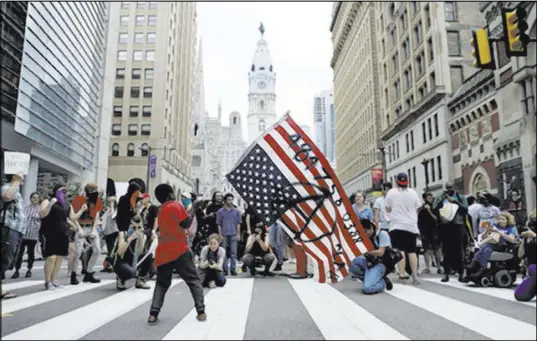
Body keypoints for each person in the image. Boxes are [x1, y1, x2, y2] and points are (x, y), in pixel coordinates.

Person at [148, 184, 206, 325]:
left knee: (161, 283)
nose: (175, 195)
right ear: (169, 195)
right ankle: (201, 311)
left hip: (163, 251)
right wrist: (195, 207)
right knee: (193, 280)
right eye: (173, 193)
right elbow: (186, 223)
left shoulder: (161, 209)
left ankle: (153, 314)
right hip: (180, 249)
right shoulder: (175, 205)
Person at [384, 172, 421, 285]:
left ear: (396, 181)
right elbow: (418, 207)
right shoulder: (413, 193)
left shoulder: (391, 192)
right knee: (412, 251)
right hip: (410, 225)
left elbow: (387, 208)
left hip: (397, 225)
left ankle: (402, 273)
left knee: (400, 251)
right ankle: (415, 275)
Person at [464, 212, 518, 282]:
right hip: (492, 245)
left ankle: (474, 264)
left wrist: (499, 232)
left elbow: (511, 239)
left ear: (507, 220)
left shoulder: (511, 228)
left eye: (503, 219)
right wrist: (487, 231)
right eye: (499, 219)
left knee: (485, 246)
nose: (500, 221)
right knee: (487, 249)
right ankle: (482, 269)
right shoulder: (495, 226)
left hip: (504, 246)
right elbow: (484, 237)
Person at [434, 181, 469, 282]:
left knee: (459, 250)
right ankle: (446, 273)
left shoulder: (460, 197)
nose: (449, 190)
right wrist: (441, 198)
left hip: (458, 225)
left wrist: (455, 202)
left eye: (451, 188)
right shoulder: (442, 197)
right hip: (445, 225)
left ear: (455, 187)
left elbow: (466, 209)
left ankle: (461, 273)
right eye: (448, 188)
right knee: (446, 250)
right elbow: (435, 208)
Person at [39, 184, 72, 289]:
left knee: (59, 257)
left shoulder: (66, 204)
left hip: (62, 233)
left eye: (65, 191)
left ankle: (53, 279)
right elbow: (42, 214)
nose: (64, 192)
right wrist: (51, 204)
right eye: (61, 190)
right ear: (55, 190)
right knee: (51, 257)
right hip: (49, 232)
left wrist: (81, 211)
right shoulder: (47, 201)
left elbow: (71, 218)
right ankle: (47, 281)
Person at [349, 219, 394, 294]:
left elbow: (380, 252)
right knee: (350, 262)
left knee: (368, 289)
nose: (365, 234)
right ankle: (372, 278)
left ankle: (382, 283)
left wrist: (365, 252)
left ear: (371, 227)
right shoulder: (363, 237)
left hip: (381, 263)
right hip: (369, 261)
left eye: (366, 231)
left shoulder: (382, 234)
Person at [70, 183, 103, 284]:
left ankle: (89, 273)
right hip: (81, 226)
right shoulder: (78, 200)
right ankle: (74, 273)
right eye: (94, 190)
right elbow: (73, 216)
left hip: (91, 226)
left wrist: (94, 229)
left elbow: (97, 216)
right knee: (78, 251)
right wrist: (78, 229)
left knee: (97, 249)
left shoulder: (97, 200)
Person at [1, 173, 27, 300]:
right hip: (8, 228)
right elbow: (6, 196)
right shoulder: (7, 187)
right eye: (22, 176)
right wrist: (16, 180)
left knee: (9, 259)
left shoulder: (17, 191)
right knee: (4, 258)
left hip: (16, 230)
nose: (23, 178)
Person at [111, 213, 153, 290]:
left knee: (149, 255)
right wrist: (131, 238)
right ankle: (121, 278)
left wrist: (140, 240)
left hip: (132, 260)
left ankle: (140, 279)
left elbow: (139, 252)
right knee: (131, 272)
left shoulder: (143, 235)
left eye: (139, 226)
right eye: (133, 226)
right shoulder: (123, 233)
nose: (136, 229)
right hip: (121, 261)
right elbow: (120, 253)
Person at [12, 192, 41, 279]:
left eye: (37, 197)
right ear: (30, 198)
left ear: (39, 199)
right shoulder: (25, 207)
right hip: (23, 233)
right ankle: (17, 270)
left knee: (31, 253)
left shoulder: (40, 209)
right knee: (19, 253)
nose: (35, 199)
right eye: (33, 197)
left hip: (33, 234)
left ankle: (29, 269)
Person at [216, 193, 242, 276]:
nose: (230, 201)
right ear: (225, 201)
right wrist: (220, 235)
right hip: (224, 234)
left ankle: (233, 269)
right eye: (229, 200)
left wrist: (238, 234)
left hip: (234, 233)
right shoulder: (220, 212)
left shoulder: (236, 211)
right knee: (224, 252)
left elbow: (238, 223)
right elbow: (219, 224)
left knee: (233, 252)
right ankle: (225, 269)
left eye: (231, 200)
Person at [418, 192, 442, 275]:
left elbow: (436, 219)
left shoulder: (434, 207)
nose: (431, 200)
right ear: (424, 199)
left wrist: (429, 210)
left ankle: (439, 267)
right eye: (429, 198)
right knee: (426, 249)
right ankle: (427, 267)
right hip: (424, 231)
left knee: (437, 249)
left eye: (432, 198)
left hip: (434, 230)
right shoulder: (421, 208)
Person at [101, 197, 119, 273]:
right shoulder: (107, 210)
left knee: (113, 250)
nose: (109, 203)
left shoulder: (116, 210)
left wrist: (111, 207)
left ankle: (114, 266)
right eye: (108, 202)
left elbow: (113, 216)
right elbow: (102, 219)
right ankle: (108, 265)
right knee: (109, 250)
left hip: (114, 232)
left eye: (111, 202)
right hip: (107, 232)